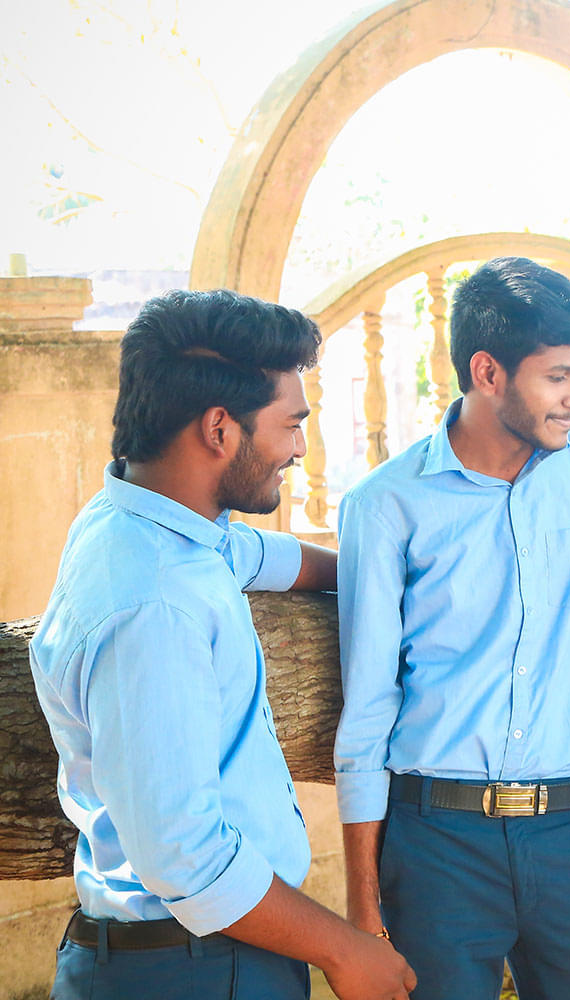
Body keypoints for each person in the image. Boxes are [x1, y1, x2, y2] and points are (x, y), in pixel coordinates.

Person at [334, 256, 570, 999]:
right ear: (489, 372)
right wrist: (361, 907)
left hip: (567, 832)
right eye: (559, 376)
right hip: (435, 841)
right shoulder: (385, 504)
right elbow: (368, 706)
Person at [28, 289, 416, 1000]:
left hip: (200, 957)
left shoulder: (144, 521)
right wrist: (345, 951)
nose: (299, 447)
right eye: (290, 424)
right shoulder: (153, 603)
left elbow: (254, 555)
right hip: (187, 968)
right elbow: (185, 856)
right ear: (219, 429)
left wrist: (385, 577)